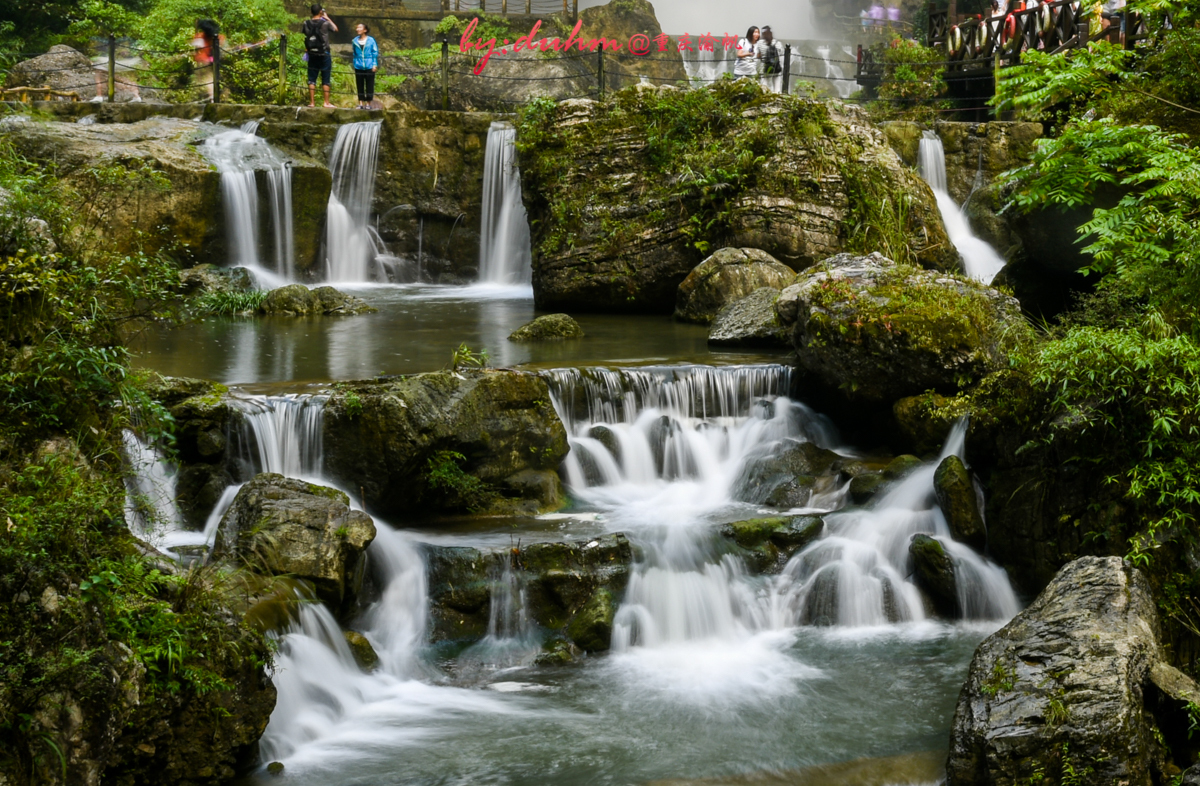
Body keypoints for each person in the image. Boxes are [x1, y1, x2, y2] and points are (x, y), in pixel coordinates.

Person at [303, 3, 338, 108]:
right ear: (320, 12)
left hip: (312, 53)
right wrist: (327, 18)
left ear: (311, 12)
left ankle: (312, 103)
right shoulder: (325, 23)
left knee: (312, 78)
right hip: (324, 53)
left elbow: (306, 35)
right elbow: (335, 29)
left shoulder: (306, 23)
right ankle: (326, 103)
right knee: (325, 78)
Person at [193, 19, 222, 101]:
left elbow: (197, 47)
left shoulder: (201, 37)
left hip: (207, 61)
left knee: (209, 79)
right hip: (206, 61)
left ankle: (212, 97)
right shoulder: (202, 37)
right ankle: (211, 97)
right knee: (208, 79)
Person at [352, 23, 379, 110]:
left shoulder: (371, 40)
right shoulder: (354, 41)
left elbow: (374, 53)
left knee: (369, 85)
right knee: (359, 85)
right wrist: (355, 63)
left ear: (365, 30)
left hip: (369, 65)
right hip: (358, 66)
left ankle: (368, 103)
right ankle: (360, 103)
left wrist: (374, 64)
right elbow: (354, 53)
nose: (357, 29)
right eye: (357, 27)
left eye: (359, 27)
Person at [757, 25, 783, 93]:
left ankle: (765, 99)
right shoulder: (778, 43)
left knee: (764, 87)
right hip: (776, 68)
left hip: (764, 68)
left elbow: (758, 55)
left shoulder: (760, 43)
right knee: (777, 88)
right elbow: (781, 54)